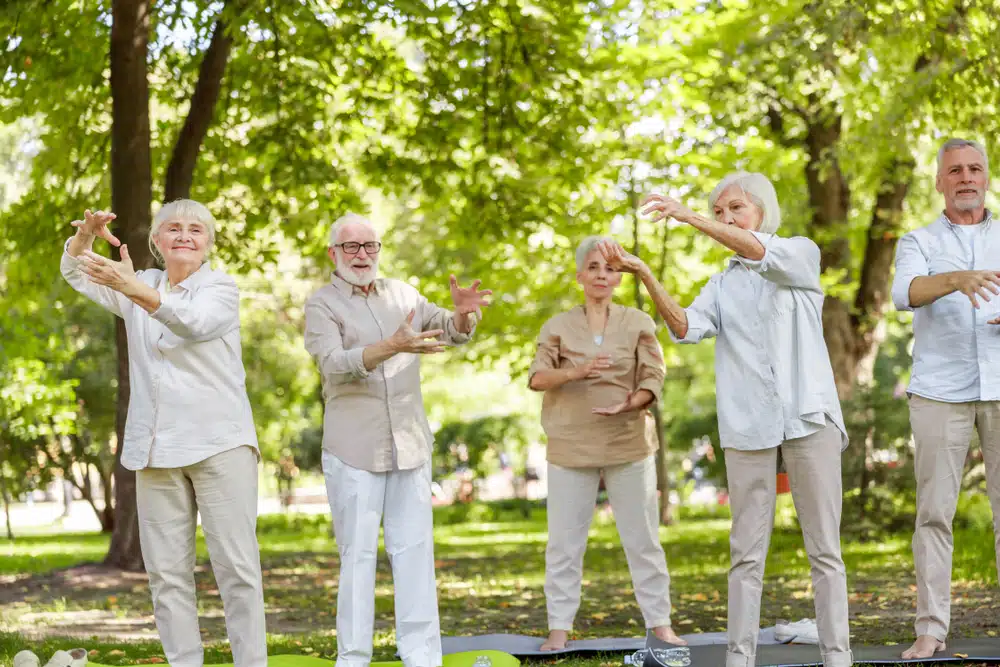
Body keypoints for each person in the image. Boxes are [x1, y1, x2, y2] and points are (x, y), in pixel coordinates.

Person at [600, 172, 853, 667]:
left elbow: (760, 252)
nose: (725, 219)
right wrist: (645, 273)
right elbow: (684, 327)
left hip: (809, 416)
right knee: (745, 554)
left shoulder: (798, 253)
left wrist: (689, 216)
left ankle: (837, 658)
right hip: (748, 425)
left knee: (825, 549)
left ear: (761, 210)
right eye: (718, 212)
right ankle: (739, 660)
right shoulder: (721, 285)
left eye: (735, 208)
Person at [60, 202, 267, 667]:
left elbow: (190, 322)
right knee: (167, 576)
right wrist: (86, 238)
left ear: (209, 243)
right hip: (155, 449)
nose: (185, 236)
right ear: (156, 239)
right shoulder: (143, 283)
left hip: (221, 445)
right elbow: (76, 271)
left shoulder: (220, 288)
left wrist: (130, 286)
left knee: (237, 571)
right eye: (174, 228)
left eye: (196, 230)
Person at [303, 213, 491, 667]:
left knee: (415, 555)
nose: (362, 255)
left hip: (410, 444)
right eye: (351, 247)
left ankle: (422, 658)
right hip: (353, 449)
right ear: (333, 254)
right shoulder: (321, 304)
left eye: (370, 246)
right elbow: (331, 363)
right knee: (358, 558)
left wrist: (464, 313)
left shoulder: (404, 294)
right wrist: (392, 346)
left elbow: (451, 330)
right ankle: (353, 658)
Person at [528, 235, 685, 651]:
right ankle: (559, 628)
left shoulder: (637, 321)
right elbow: (537, 378)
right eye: (594, 267)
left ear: (620, 276)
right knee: (564, 542)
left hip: (629, 442)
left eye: (611, 268)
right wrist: (575, 372)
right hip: (570, 447)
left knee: (643, 539)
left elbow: (654, 376)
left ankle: (660, 624)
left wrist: (633, 403)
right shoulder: (557, 326)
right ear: (580, 275)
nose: (602, 275)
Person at [890, 138, 1000, 660]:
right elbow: (904, 293)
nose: (965, 177)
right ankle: (931, 629)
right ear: (939, 181)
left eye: (974, 168)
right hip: (940, 392)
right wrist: (956, 279)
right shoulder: (918, 240)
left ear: (986, 176)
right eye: (954, 170)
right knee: (934, 513)